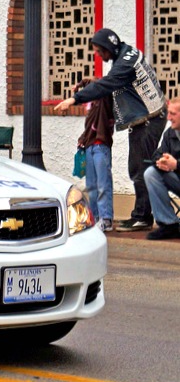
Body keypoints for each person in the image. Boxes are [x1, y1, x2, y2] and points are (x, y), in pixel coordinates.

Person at [55, 28, 166, 232]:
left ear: (108, 48)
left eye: (99, 51)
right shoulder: (125, 54)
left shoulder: (124, 63)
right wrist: (90, 82)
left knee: (140, 169)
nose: (98, 55)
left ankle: (142, 217)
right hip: (146, 119)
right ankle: (142, 215)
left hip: (149, 120)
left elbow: (108, 83)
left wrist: (74, 99)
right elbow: (110, 81)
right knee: (137, 168)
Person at [73, 78, 115, 232]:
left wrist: (84, 83)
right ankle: (95, 218)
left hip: (100, 146)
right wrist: (83, 140)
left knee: (103, 184)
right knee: (91, 186)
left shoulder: (103, 100)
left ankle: (106, 219)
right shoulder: (91, 107)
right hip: (90, 147)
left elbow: (100, 85)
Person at [143, 97, 180, 240]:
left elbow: (175, 164)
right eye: (168, 113)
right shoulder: (170, 134)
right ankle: (169, 224)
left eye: (173, 114)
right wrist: (161, 161)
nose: (169, 118)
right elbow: (157, 154)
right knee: (151, 173)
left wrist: (176, 165)